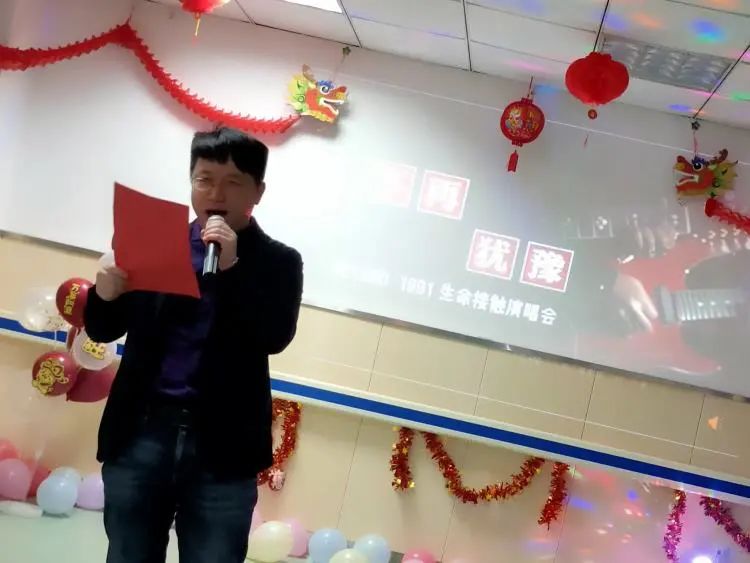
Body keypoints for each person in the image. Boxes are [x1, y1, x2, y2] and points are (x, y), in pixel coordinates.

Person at [84, 127, 304, 563]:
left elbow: (274, 336)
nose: (216, 193)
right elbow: (103, 330)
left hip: (224, 447)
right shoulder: (154, 243)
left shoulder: (279, 261)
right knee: (128, 554)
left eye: (233, 182)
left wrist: (233, 269)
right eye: (204, 179)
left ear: (257, 192)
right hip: (142, 432)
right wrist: (104, 295)